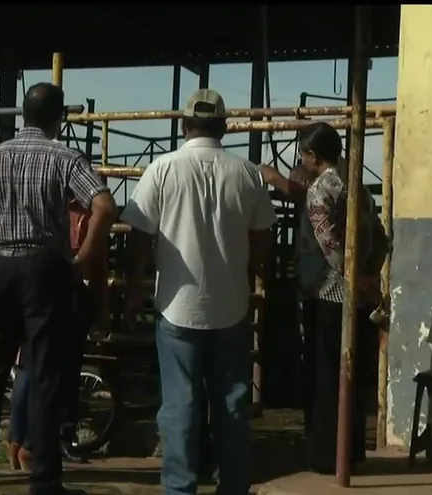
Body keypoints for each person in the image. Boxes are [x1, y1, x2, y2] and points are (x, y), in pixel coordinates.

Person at [0, 82, 117, 495]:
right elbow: (104, 204)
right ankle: (45, 482)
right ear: (59, 118)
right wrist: (80, 260)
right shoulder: (65, 157)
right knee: (46, 376)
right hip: (45, 268)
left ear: (23, 115)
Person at [122, 89, 277, 495]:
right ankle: (234, 487)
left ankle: (179, 489)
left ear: (184, 125)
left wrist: (135, 286)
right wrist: (248, 272)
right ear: (225, 126)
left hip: (177, 308)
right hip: (231, 307)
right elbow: (263, 241)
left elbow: (138, 236)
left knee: (180, 406)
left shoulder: (162, 169)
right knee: (231, 405)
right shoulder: (247, 174)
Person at [296, 121, 388, 474]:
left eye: (304, 154)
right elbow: (381, 238)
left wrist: (357, 278)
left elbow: (331, 245)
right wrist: (370, 275)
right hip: (359, 297)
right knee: (353, 377)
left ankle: (326, 456)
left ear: (313, 156)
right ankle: (351, 452)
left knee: (326, 378)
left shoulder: (320, 190)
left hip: (328, 294)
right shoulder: (358, 188)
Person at [8, 198, 107, 470]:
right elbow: (95, 261)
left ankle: (20, 438)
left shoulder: (37, 206)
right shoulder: (85, 215)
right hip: (66, 290)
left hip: (33, 287)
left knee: (29, 367)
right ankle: (45, 441)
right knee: (62, 372)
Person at [259, 163, 320, 463]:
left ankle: (318, 438)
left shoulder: (319, 195)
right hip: (308, 289)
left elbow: (300, 193)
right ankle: (316, 433)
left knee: (316, 361)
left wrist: (272, 176)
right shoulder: (311, 208)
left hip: (320, 291)